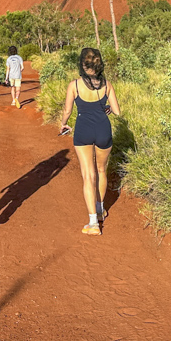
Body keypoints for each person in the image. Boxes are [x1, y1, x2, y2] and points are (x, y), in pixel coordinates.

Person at [59, 48, 120, 236]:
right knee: (101, 170)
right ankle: (101, 210)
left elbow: (68, 111)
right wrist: (107, 108)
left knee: (88, 176)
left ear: (83, 65)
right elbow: (117, 112)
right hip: (103, 129)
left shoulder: (74, 86)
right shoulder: (107, 85)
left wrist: (63, 124)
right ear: (99, 64)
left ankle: (93, 223)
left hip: (83, 131)